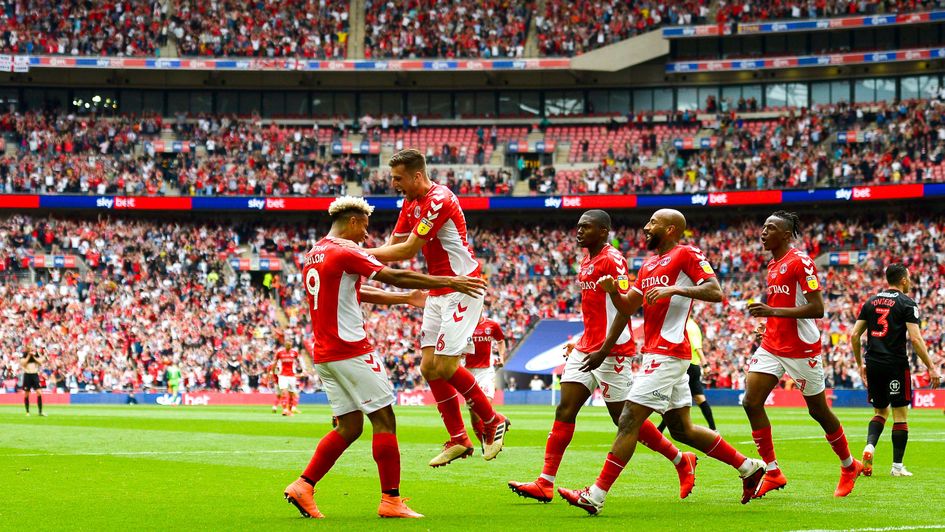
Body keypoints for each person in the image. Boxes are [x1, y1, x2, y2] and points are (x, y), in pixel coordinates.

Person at [283, 195, 487, 520]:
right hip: (351, 350)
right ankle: (391, 500)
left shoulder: (315, 253)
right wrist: (448, 281)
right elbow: (394, 274)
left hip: (324, 354)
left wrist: (404, 300)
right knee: (384, 421)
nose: (367, 236)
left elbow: (357, 291)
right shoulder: (345, 249)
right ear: (353, 222)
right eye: (364, 227)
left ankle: (304, 485)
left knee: (349, 427)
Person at [558, 209, 765, 515]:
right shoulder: (647, 266)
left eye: (652, 223)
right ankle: (749, 467)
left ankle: (596, 495)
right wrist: (614, 292)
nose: (645, 227)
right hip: (657, 352)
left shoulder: (687, 254)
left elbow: (715, 292)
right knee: (681, 429)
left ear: (670, 229)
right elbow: (629, 305)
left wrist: (676, 288)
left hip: (669, 353)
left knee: (628, 419)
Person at [509, 210, 697, 504]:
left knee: (623, 420)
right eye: (579, 226)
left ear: (603, 231)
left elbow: (625, 308)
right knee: (565, 410)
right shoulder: (586, 261)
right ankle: (545, 482)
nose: (579, 230)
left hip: (613, 351)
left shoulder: (613, 259)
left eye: (586, 227)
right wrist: (583, 343)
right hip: (587, 347)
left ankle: (679, 459)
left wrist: (605, 349)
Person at [363, 149, 509, 467]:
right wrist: (355, 253)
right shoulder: (410, 203)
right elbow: (392, 246)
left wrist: (353, 253)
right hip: (436, 289)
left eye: (398, 178)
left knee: (444, 366)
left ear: (417, 176)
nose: (394, 184)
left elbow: (408, 249)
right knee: (428, 368)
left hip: (462, 287)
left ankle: (493, 420)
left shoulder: (438, 198)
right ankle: (459, 439)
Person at [744, 211, 863, 499]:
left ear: (785, 234)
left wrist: (771, 311)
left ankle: (849, 466)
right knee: (750, 402)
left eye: (769, 228)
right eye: (763, 227)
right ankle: (772, 471)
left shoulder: (801, 262)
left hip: (801, 349)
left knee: (818, 411)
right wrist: (768, 323)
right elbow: (784, 305)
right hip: (773, 345)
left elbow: (817, 308)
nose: (763, 232)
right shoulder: (773, 265)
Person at [849, 263, 941, 477]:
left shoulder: (870, 301)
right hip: (895, 365)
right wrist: (931, 366)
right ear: (903, 280)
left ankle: (870, 447)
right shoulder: (907, 303)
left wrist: (859, 364)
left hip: (873, 363)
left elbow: (854, 335)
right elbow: (916, 339)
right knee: (900, 415)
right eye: (908, 277)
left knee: (880, 412)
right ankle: (897, 467)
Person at [658, 317, 716, 432]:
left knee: (672, 398)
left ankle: (660, 429)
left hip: (686, 365)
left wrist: (705, 364)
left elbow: (697, 348)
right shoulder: (692, 325)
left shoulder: (688, 326)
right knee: (699, 398)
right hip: (693, 366)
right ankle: (713, 428)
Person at [464, 305, 508, 450]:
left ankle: (488, 442)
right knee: (473, 411)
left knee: (484, 406)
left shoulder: (492, 325)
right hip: (467, 372)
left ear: (481, 309)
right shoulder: (463, 325)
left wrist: (501, 357)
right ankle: (488, 437)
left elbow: (500, 340)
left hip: (485, 371)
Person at [273, 339, 302, 416]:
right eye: (287, 345)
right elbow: (275, 363)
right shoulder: (280, 353)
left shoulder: (294, 353)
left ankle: (290, 410)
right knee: (283, 392)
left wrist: (303, 370)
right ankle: (285, 409)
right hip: (282, 375)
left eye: (290, 345)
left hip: (292, 376)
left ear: (291, 346)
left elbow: (299, 361)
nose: (289, 346)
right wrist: (274, 373)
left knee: (291, 394)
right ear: (285, 345)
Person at [21, 346, 46, 417]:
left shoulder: (36, 354)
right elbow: (23, 363)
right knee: (26, 394)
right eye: (30, 349)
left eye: (32, 348)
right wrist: (29, 356)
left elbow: (40, 362)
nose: (31, 350)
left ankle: (40, 412)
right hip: (27, 375)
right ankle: (27, 411)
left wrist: (34, 357)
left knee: (39, 392)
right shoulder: (24, 355)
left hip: (35, 375)